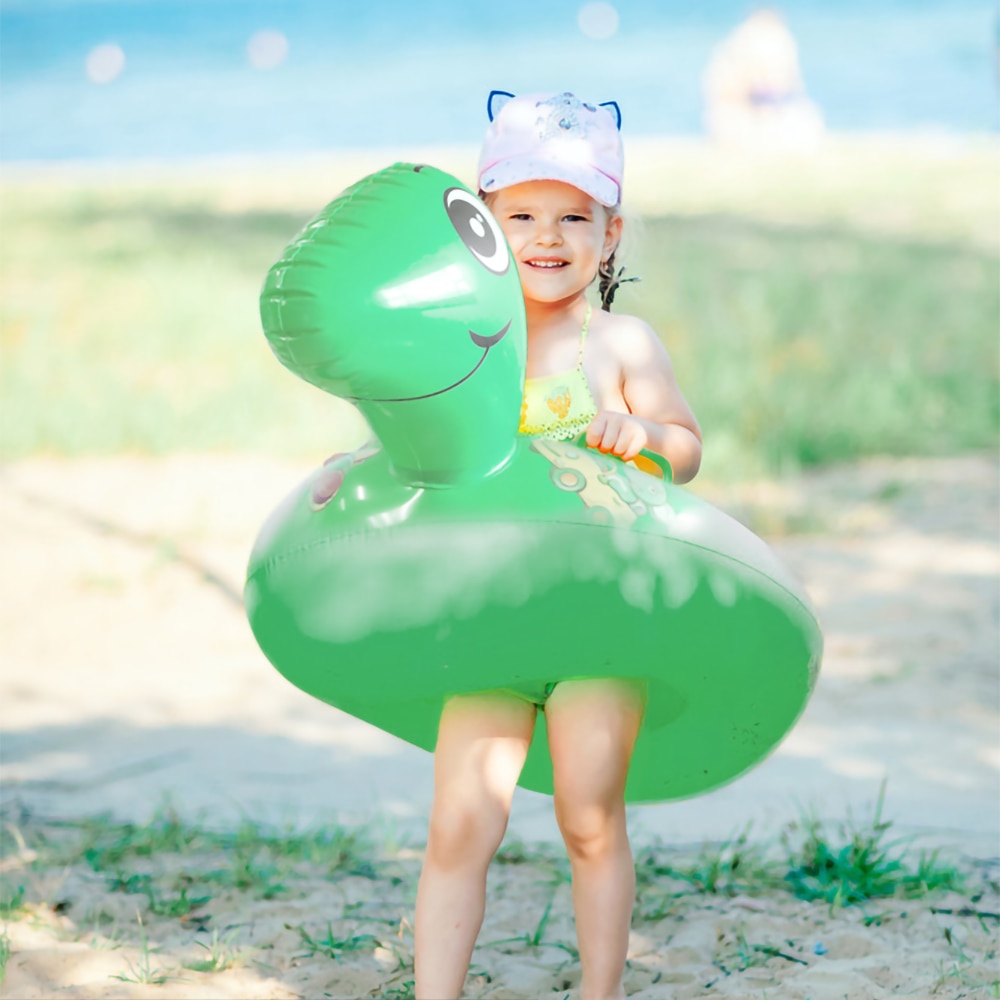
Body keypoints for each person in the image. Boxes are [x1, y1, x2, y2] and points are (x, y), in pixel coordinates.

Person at [413, 91, 702, 1000]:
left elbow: (687, 450)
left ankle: (600, 991)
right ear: (484, 227)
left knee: (588, 817)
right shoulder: (468, 348)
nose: (548, 235)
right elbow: (418, 446)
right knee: (461, 824)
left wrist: (641, 434)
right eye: (523, 214)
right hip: (491, 613)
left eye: (574, 215)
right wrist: (350, 474)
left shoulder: (620, 342)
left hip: (598, 620)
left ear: (609, 234)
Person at [703, 7, 824, 151]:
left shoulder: (777, 44)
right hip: (745, 115)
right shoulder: (740, 47)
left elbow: (791, 87)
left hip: (770, 112)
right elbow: (729, 92)